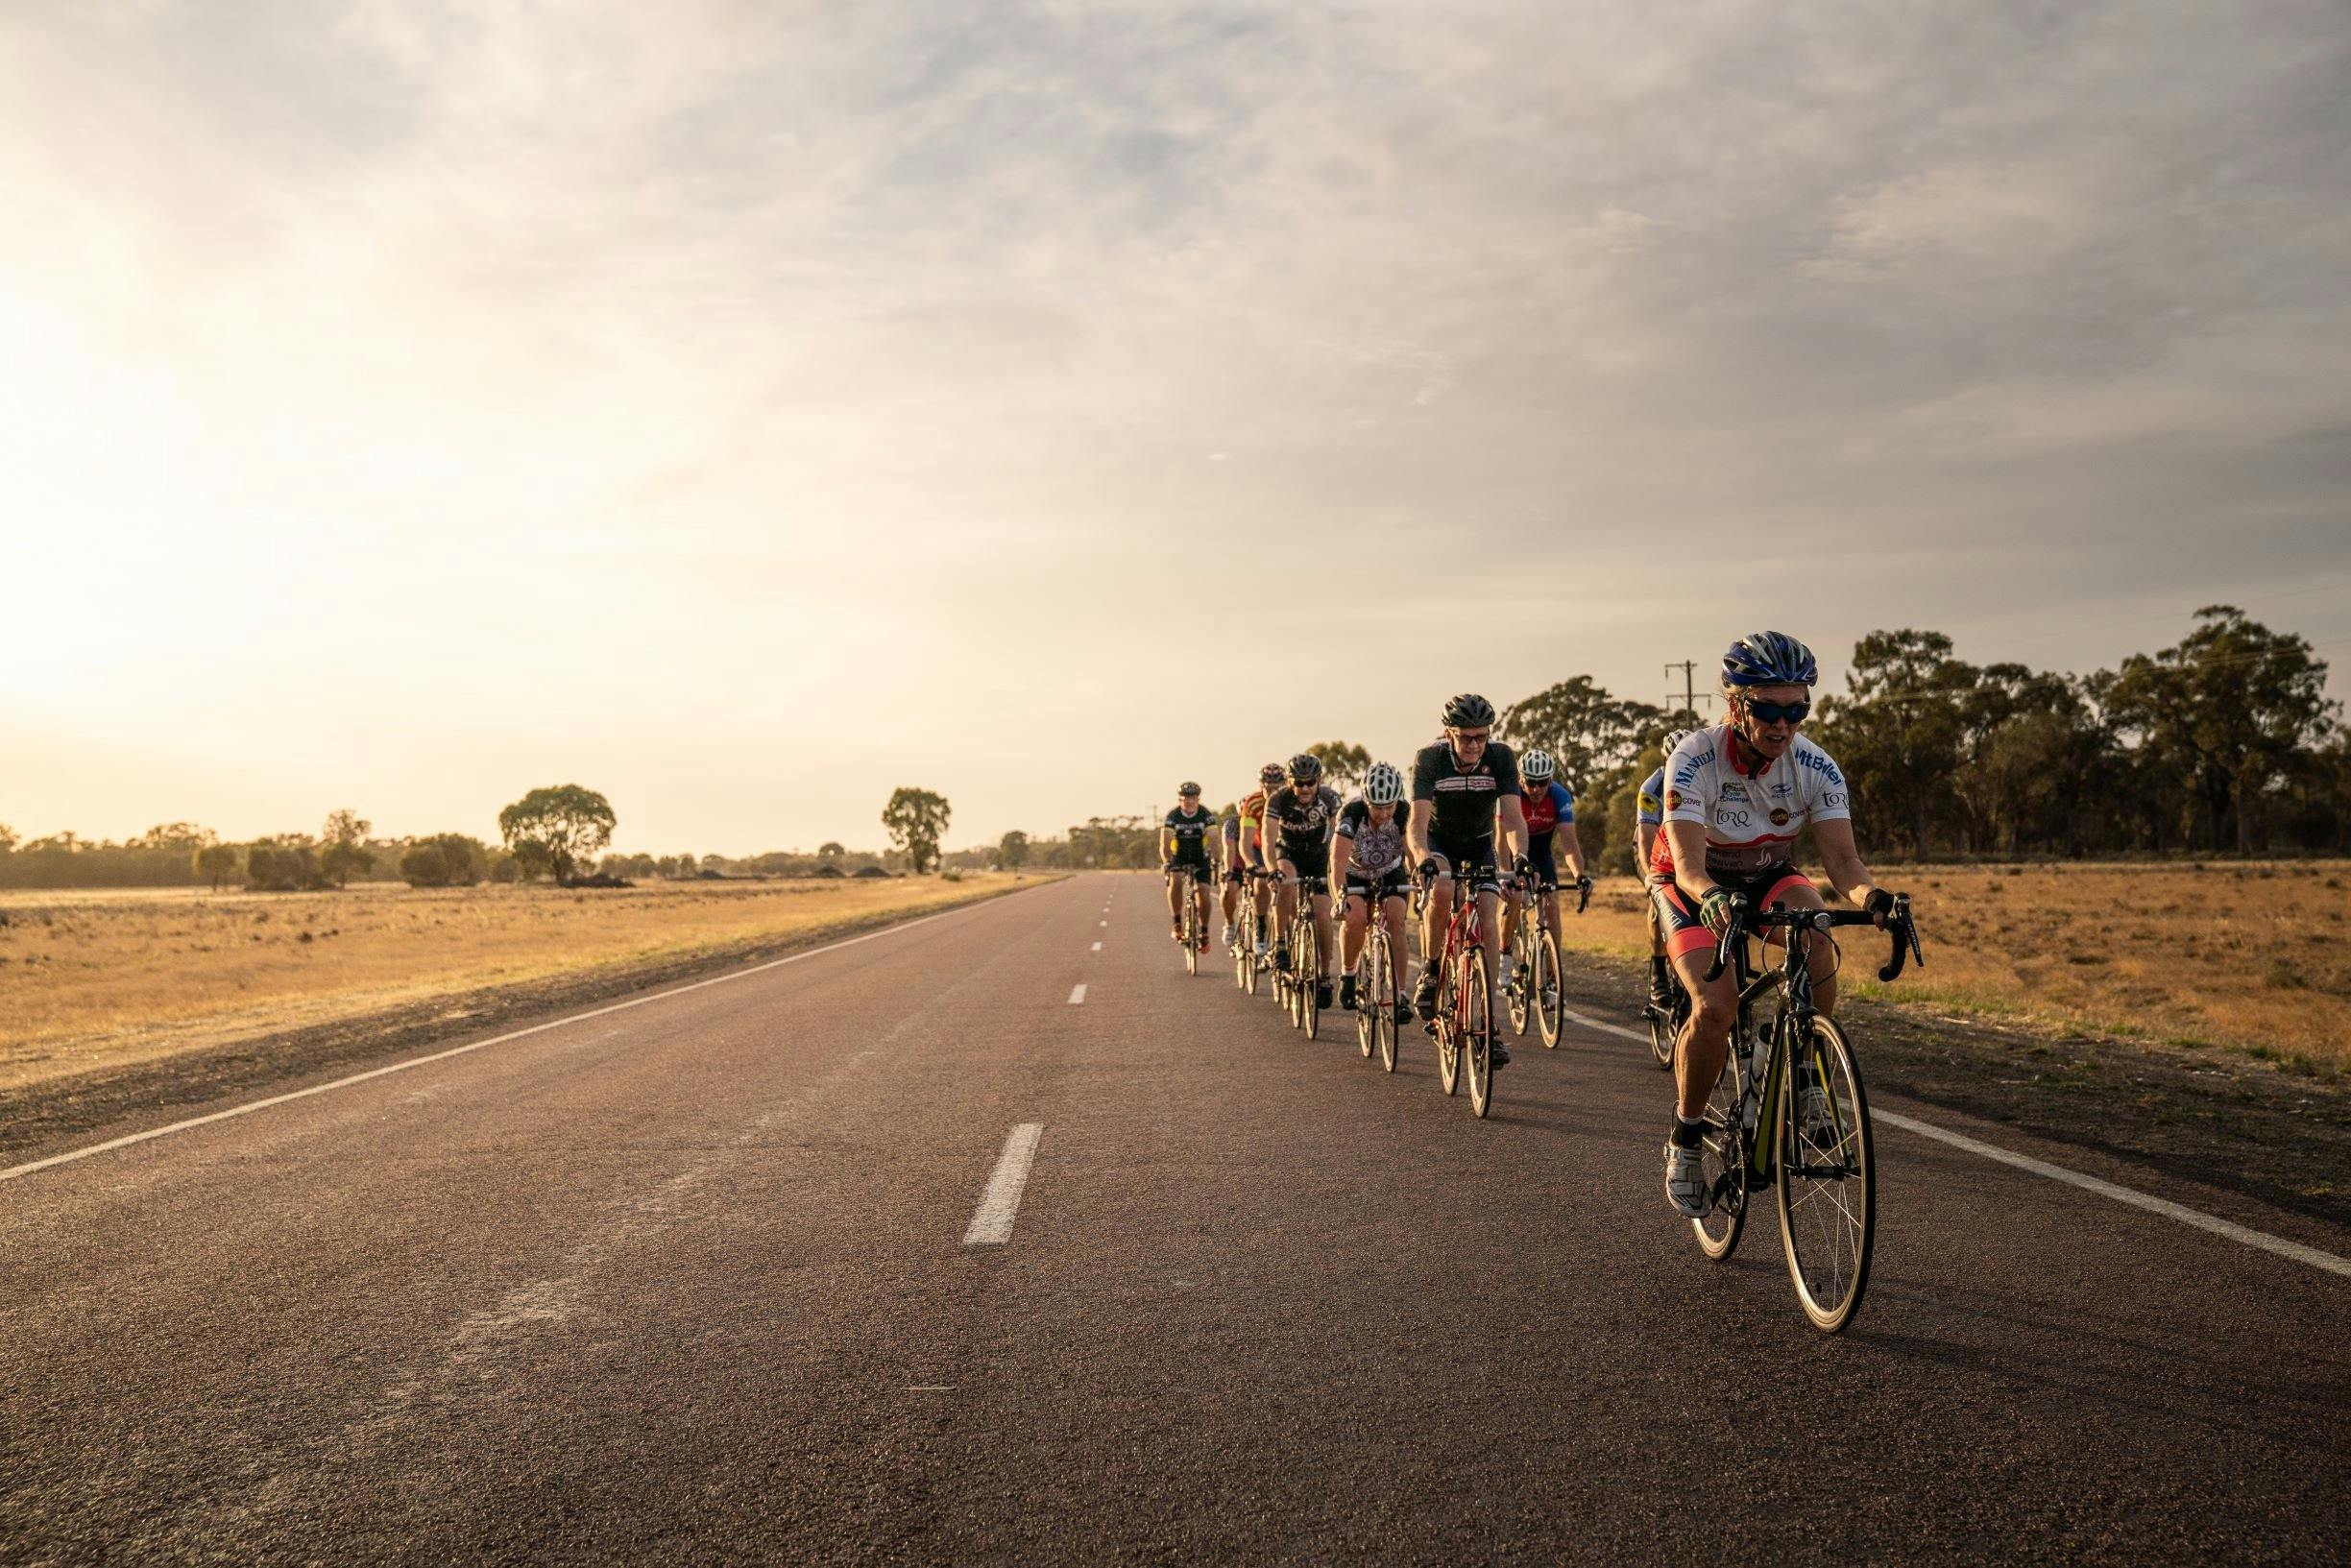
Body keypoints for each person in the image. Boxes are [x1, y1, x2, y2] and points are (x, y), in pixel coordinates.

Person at [1655, 633, 1900, 1218]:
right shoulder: (1693, 757)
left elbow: (1843, 864)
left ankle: (1804, 1064)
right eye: (1768, 708)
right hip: (1692, 883)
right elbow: (1687, 864)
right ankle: (1686, 1138)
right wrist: (1712, 897)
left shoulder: (1816, 766)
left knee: (1817, 934)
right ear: (1735, 703)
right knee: (1715, 1007)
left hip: (1766, 871)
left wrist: (1876, 898)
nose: (1782, 723)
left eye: (1797, 709)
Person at [1405, 694, 1530, 1067]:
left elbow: (1512, 819)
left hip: (1479, 846)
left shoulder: (1502, 757)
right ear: (1449, 734)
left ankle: (1488, 1024)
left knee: (1489, 914)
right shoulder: (1429, 759)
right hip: (1440, 842)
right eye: (1466, 737)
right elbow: (1416, 825)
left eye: (1481, 736)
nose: (1474, 745)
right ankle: (1430, 970)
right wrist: (1423, 858)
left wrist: (1521, 856)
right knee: (1442, 887)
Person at [1497, 748, 1592, 1001]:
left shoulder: (1559, 796)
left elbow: (1570, 847)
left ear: (1550, 780)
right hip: (1511, 849)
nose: (1536, 788)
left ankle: (1550, 978)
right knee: (1515, 898)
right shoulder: (1510, 796)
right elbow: (1500, 840)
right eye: (1530, 782)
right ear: (1520, 779)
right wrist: (1507, 876)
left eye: (1542, 782)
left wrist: (1580, 876)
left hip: (1541, 852)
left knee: (1552, 908)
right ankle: (1505, 954)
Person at [1331, 761, 1416, 1021]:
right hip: (1355, 873)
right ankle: (1348, 973)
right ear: (1366, 801)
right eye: (1378, 807)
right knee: (1355, 918)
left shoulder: (1403, 811)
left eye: (1389, 806)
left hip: (1390, 870)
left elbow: (1411, 851)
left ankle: (1400, 993)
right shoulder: (1351, 813)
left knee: (1397, 919)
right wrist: (1340, 897)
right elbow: (1337, 860)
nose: (1384, 813)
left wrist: (1418, 878)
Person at [1261, 753, 1342, 1008]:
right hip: (1289, 853)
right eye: (1298, 783)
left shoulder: (1329, 798)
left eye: (1309, 783)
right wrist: (1272, 869)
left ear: (1318, 781)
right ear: (1289, 782)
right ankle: (1281, 945)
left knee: (1322, 913)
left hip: (1318, 856)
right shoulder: (1278, 799)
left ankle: (1324, 974)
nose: (1304, 788)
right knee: (1285, 879)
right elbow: (1267, 838)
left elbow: (1342, 831)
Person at [1633, 729, 1695, 1014]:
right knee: (1660, 900)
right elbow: (1646, 837)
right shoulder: (1651, 788)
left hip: (1686, 848)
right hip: (1653, 850)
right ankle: (1658, 970)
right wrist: (1651, 880)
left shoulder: (1703, 778)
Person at [1159, 783, 1219, 950]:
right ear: (1180, 799)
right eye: (1186, 798)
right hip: (1179, 856)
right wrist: (1167, 861)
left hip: (1201, 857)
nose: (1190, 802)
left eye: (1193, 798)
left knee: (1204, 893)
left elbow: (1214, 839)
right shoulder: (1173, 816)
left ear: (1198, 799)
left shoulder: (1206, 815)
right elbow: (1165, 842)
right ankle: (1177, 922)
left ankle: (1204, 931)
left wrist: (1216, 860)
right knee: (1176, 879)